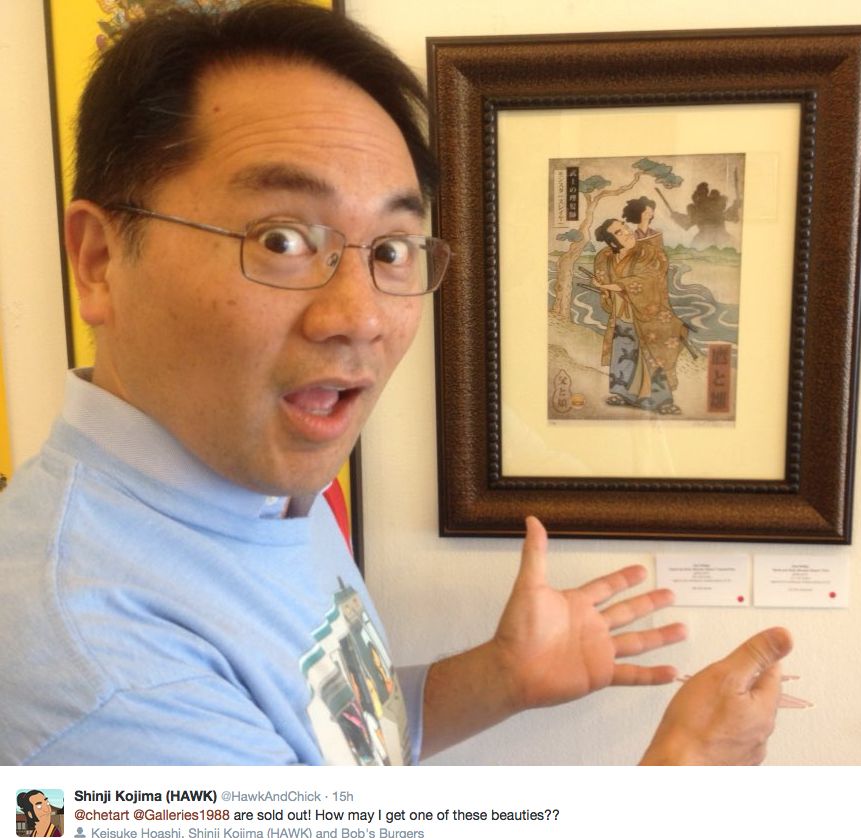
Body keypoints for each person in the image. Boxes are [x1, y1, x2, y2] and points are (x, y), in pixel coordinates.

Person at [0, 1, 792, 766]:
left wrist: (501, 677)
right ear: (99, 260)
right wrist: (684, 774)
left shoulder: (259, 482)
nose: (361, 317)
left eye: (390, 250)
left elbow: (326, 743)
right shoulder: (97, 667)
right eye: (281, 239)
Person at [593, 217, 690, 415]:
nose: (627, 232)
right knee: (623, 351)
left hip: (648, 315)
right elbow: (603, 278)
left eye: (625, 227)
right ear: (611, 241)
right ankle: (625, 394)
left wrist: (613, 286)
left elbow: (648, 279)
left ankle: (662, 401)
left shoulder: (647, 252)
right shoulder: (605, 257)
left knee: (653, 356)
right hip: (621, 314)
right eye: (619, 232)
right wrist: (605, 287)